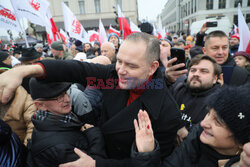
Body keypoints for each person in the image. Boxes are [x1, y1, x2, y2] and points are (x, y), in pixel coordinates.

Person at [0, 32, 181, 167]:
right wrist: (23, 71)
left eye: (131, 65)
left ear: (152, 67)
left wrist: (96, 165)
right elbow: (77, 69)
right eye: (119, 61)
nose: (121, 70)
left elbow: (154, 163)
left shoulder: (167, 111)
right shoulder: (112, 77)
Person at [132, 84, 250, 167]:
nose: (204, 123)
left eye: (218, 121)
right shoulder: (197, 136)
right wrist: (147, 154)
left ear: (242, 142)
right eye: (208, 113)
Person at [26, 78, 106, 167]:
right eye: (59, 98)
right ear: (41, 105)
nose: (68, 99)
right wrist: (95, 136)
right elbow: (93, 163)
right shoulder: (59, 147)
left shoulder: (47, 120)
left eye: (65, 92)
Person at [171, 55, 221, 142]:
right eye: (193, 70)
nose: (196, 74)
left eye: (204, 71)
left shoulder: (221, 100)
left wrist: (191, 131)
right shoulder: (177, 89)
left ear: (215, 79)